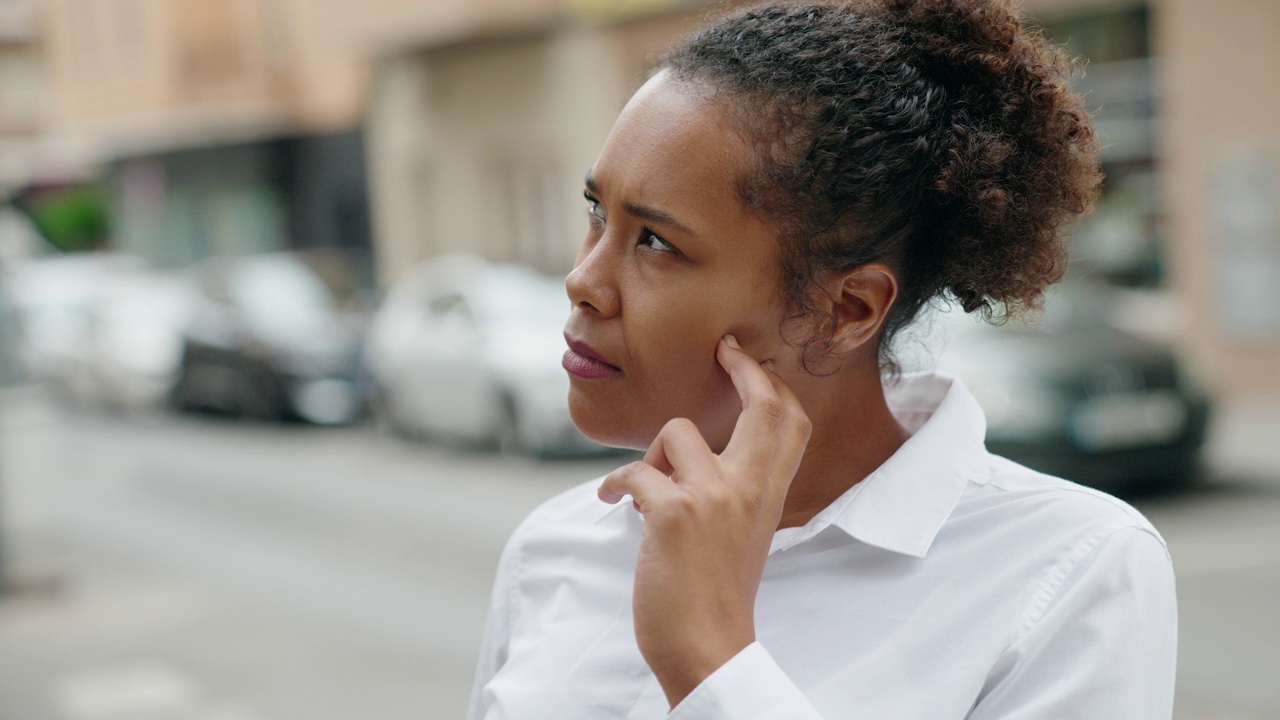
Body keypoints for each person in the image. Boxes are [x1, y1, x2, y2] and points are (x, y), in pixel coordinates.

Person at [468, 0, 1177, 717]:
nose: (583, 281)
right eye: (597, 212)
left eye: (656, 241)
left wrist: (710, 659)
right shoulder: (553, 549)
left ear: (848, 311)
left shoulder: (1070, 569)